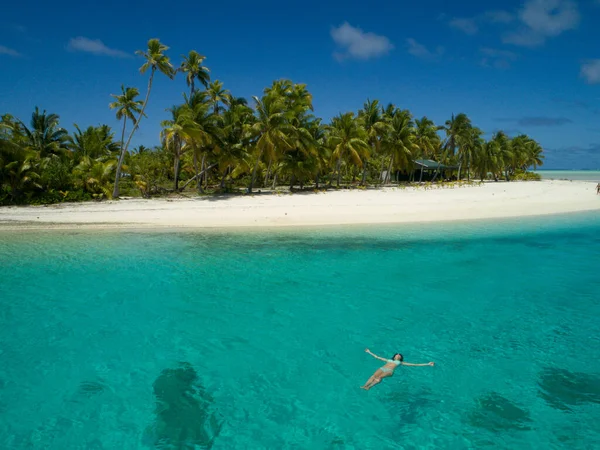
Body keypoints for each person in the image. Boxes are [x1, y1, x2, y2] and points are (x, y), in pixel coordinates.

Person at [361, 348, 434, 390]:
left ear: (400, 357)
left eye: (399, 355)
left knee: (379, 377)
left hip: (390, 371)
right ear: (394, 356)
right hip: (382, 368)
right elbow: (377, 357)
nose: (398, 355)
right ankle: (365, 386)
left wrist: (427, 364)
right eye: (397, 354)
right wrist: (369, 352)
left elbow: (414, 364)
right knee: (373, 376)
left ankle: (369, 387)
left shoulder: (400, 362)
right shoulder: (388, 360)